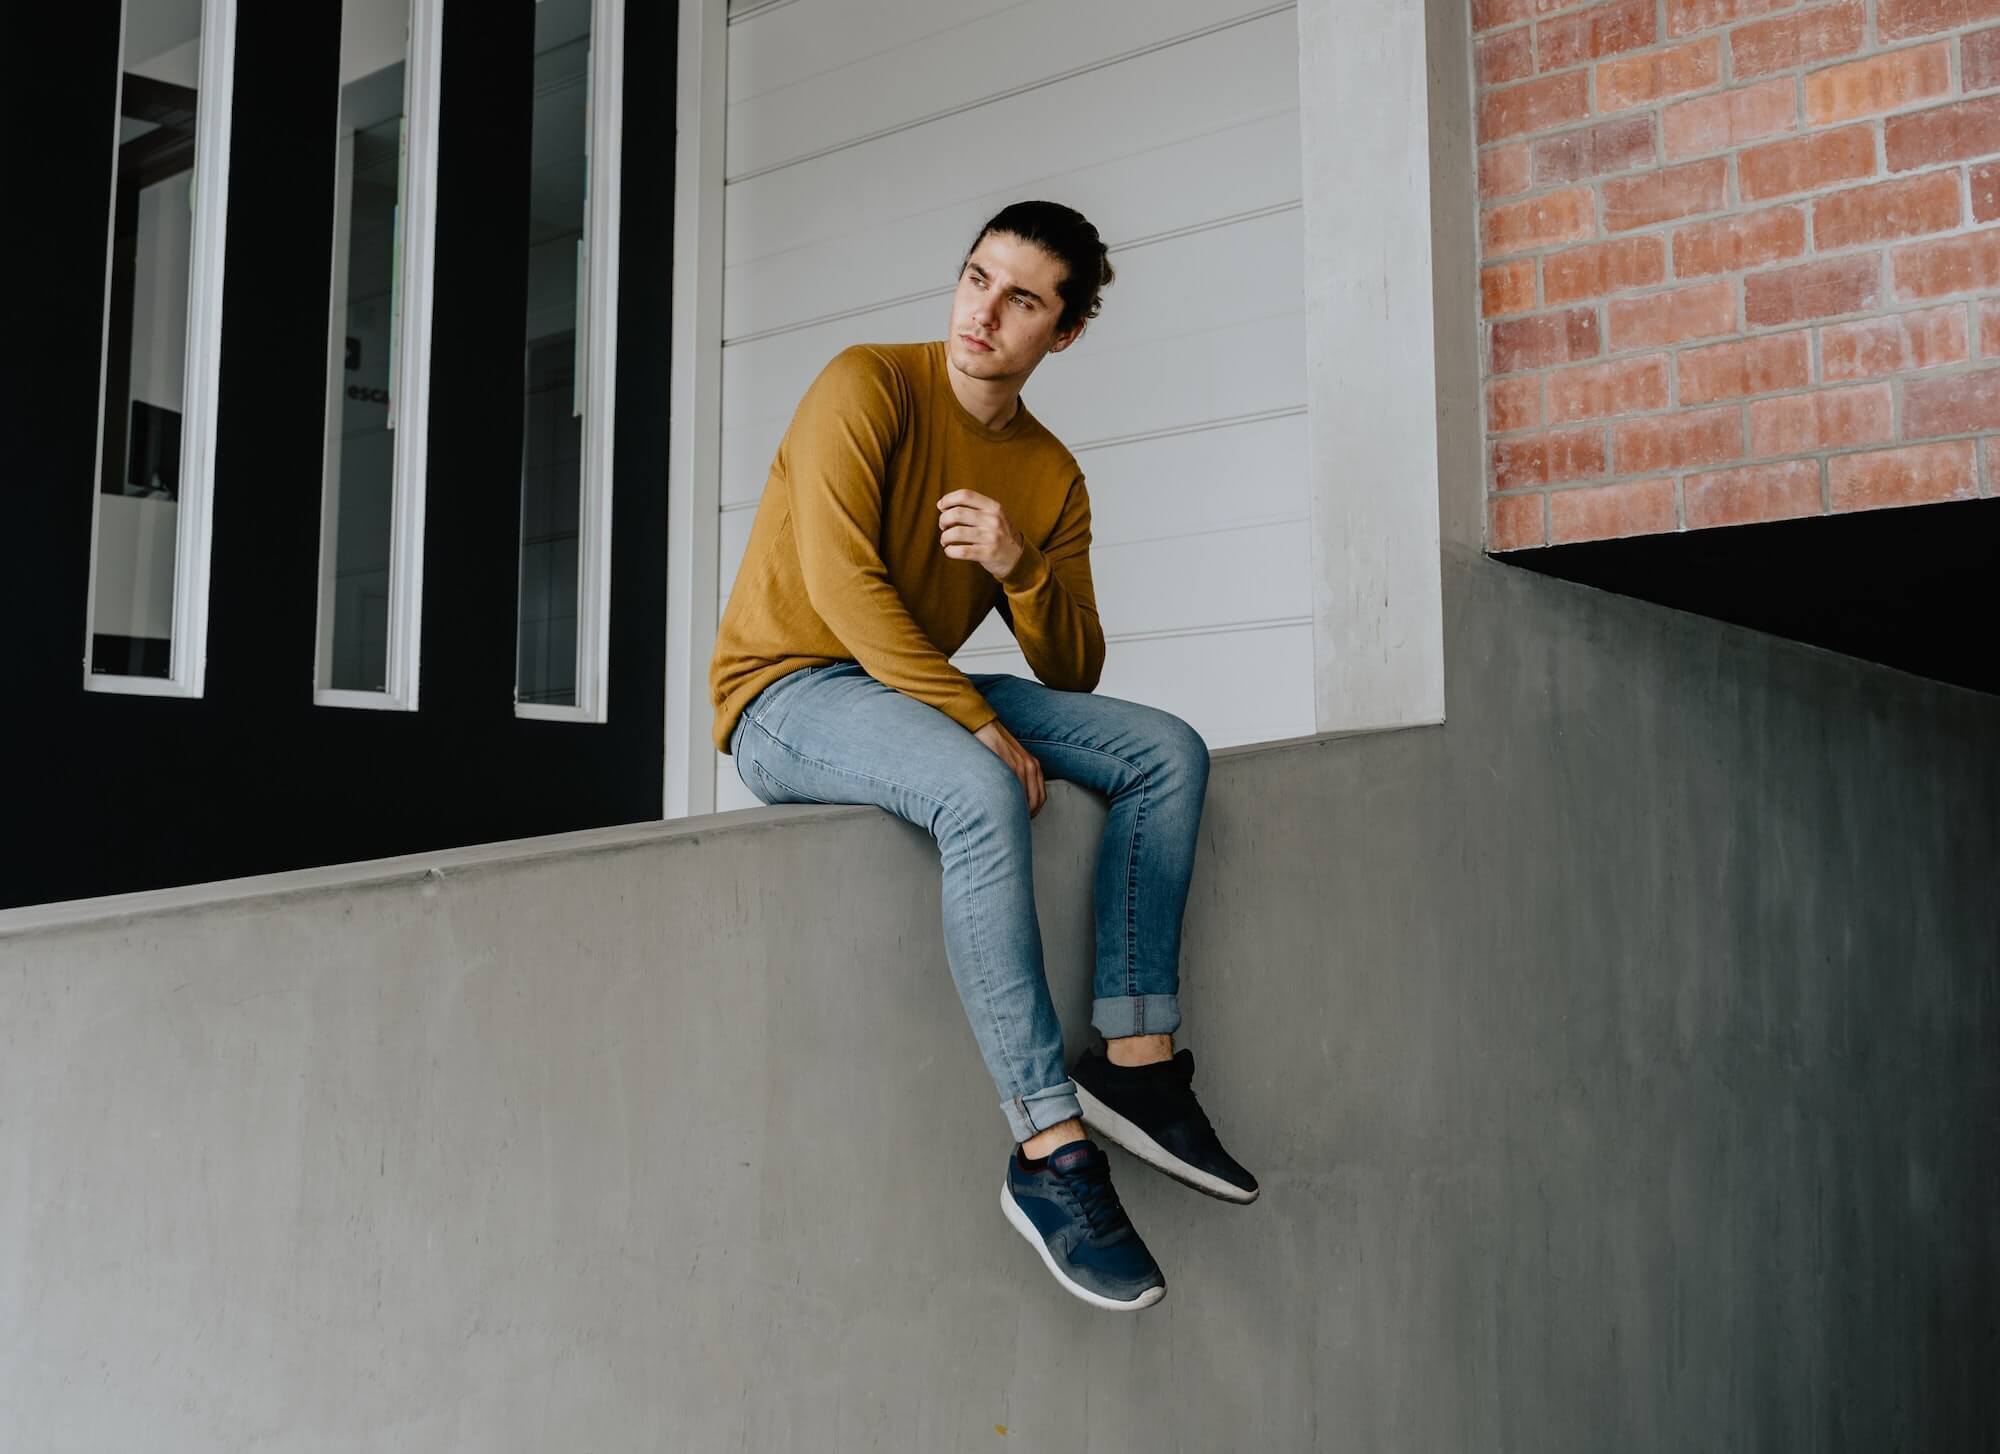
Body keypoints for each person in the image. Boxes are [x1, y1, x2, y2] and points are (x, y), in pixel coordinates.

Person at [709, 200, 1256, 1312]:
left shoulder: (1048, 475)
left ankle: (1136, 1065)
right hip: (787, 689)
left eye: (1021, 298)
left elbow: (1075, 661)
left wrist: (1014, 565)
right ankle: (1047, 1149)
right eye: (974, 277)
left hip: (906, 687)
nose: (983, 311)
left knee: (1163, 750)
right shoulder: (864, 384)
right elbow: (840, 589)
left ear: (1062, 334)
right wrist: (968, 719)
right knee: (975, 789)